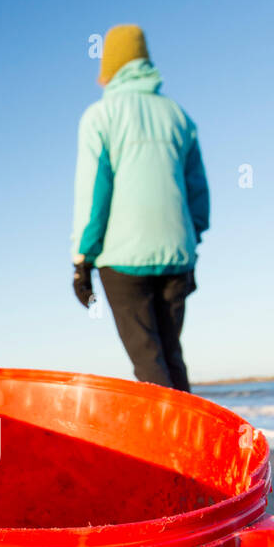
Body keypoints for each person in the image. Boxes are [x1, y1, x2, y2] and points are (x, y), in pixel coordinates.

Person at [70, 24, 210, 392]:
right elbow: (198, 193)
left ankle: (168, 449)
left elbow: (94, 196)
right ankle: (194, 443)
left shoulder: (100, 117)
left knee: (148, 360)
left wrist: (82, 259)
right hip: (178, 256)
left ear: (110, 65)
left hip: (123, 257)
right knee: (170, 354)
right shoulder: (179, 116)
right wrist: (192, 240)